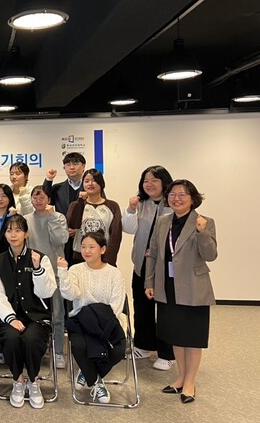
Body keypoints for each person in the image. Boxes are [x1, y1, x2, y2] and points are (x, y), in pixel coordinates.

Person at [145, 179, 217, 404]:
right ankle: (180, 378)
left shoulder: (204, 221)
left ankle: (190, 382)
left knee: (192, 338)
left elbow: (210, 255)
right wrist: (149, 282)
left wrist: (202, 233)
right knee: (176, 335)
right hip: (167, 286)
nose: (176, 199)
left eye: (182, 194)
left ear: (193, 199)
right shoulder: (163, 221)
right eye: (172, 194)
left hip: (193, 287)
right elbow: (153, 253)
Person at [0, 214, 57, 409]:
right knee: (11, 339)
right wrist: (10, 318)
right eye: (9, 230)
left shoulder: (41, 258)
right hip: (8, 318)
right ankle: (18, 380)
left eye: (18, 230)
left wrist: (37, 269)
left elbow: (47, 292)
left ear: (26, 234)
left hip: (36, 318)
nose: (13, 235)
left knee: (31, 340)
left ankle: (33, 381)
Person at [58, 231, 126, 404]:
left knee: (118, 351)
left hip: (107, 321)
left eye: (91, 247)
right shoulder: (76, 270)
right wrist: (62, 272)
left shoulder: (114, 273)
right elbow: (71, 295)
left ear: (102, 249)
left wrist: (100, 321)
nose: (86, 251)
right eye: (83, 247)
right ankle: (96, 381)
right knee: (79, 347)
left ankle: (87, 371)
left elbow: (117, 304)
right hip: (81, 321)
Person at [122, 165, 176, 371]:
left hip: (164, 266)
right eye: (146, 180)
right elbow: (129, 228)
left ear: (164, 182)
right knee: (142, 306)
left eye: (154, 180)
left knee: (165, 309)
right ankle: (143, 345)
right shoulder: (141, 204)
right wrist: (130, 210)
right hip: (141, 264)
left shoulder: (173, 204)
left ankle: (167, 353)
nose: (149, 184)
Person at [24, 186, 69, 369]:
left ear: (49, 199)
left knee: (57, 315)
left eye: (42, 197)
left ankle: (58, 352)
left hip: (55, 272)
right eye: (35, 197)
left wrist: (51, 218)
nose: (38, 200)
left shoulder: (58, 217)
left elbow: (61, 240)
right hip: (34, 273)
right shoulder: (26, 219)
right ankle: (39, 348)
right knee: (35, 315)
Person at [66, 168, 122, 266]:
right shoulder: (75, 204)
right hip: (80, 256)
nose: (90, 184)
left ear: (101, 184)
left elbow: (115, 235)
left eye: (94, 180)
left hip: (103, 256)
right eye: (86, 181)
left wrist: (109, 259)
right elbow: (73, 224)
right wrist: (80, 201)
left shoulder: (112, 206)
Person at [43, 152, 86, 264]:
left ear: (83, 166)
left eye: (75, 163)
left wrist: (79, 231)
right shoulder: (57, 188)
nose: (71, 167)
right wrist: (48, 180)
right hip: (62, 239)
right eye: (68, 164)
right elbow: (44, 199)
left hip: (84, 240)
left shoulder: (91, 188)